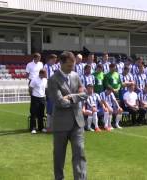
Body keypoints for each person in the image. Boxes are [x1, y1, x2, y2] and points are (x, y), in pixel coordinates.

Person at [47, 51, 88, 180]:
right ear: (61, 63)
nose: (72, 68)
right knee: (59, 156)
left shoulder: (76, 76)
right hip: (61, 124)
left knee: (80, 153)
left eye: (73, 65)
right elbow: (59, 102)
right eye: (69, 66)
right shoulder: (53, 80)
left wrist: (70, 97)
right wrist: (77, 98)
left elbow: (85, 94)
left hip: (78, 123)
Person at [29, 69, 47, 134]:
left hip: (42, 98)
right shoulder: (34, 79)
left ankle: (41, 127)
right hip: (35, 98)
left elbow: (45, 88)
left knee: (41, 114)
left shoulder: (45, 80)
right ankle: (33, 128)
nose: (46, 75)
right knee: (33, 113)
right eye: (45, 74)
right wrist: (32, 96)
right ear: (41, 74)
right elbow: (30, 88)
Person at [44, 54, 58, 132]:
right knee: (49, 105)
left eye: (55, 60)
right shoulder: (45, 66)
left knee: (55, 106)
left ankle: (54, 125)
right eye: (54, 60)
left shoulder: (55, 66)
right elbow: (46, 77)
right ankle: (48, 126)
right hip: (48, 88)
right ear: (50, 59)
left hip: (55, 88)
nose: (55, 61)